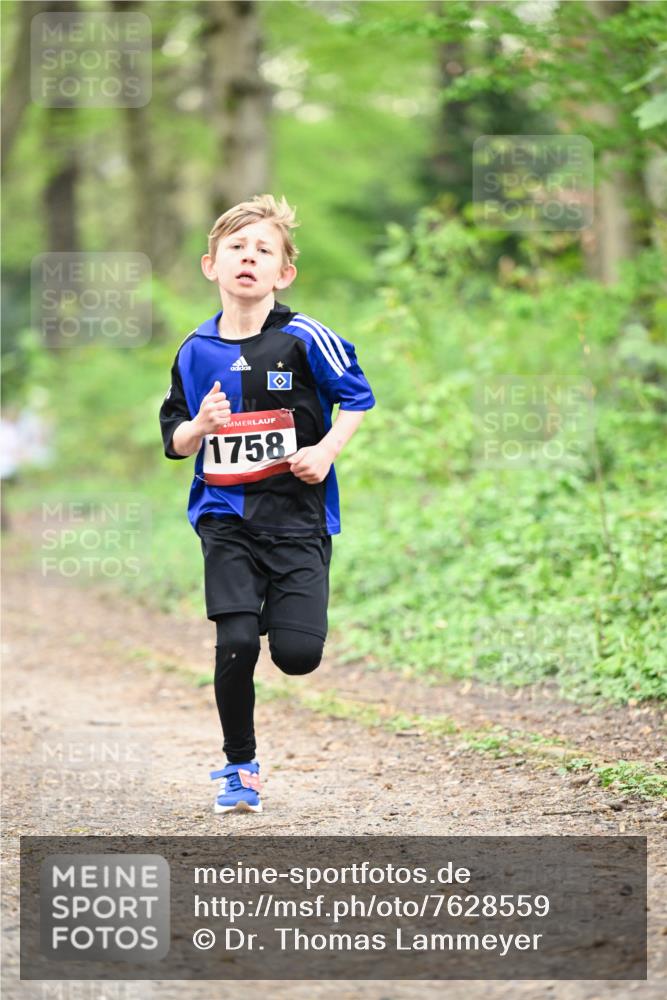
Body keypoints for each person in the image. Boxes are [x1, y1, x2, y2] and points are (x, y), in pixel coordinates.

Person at [159, 194, 376, 814]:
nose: (248, 258)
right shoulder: (194, 349)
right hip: (225, 516)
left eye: (263, 250)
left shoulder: (304, 337)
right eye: (236, 248)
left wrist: (326, 450)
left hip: (298, 518)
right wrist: (200, 426)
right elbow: (174, 439)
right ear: (212, 265)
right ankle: (239, 767)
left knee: (298, 656)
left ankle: (271, 614)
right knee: (236, 641)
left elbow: (358, 398)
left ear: (284, 273)